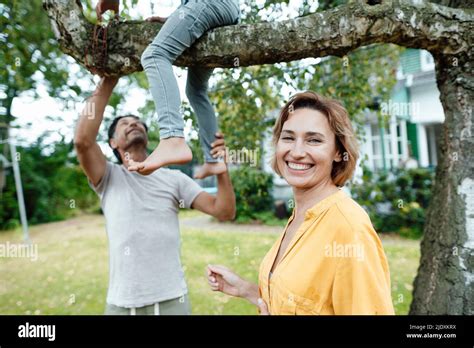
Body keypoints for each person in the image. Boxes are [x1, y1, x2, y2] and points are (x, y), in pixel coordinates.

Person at [206, 91, 395, 315]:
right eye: (288, 138)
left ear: (338, 151)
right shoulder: (301, 215)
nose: (296, 152)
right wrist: (247, 290)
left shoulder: (349, 228)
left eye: (313, 140)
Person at [74, 75, 236, 315]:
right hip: (121, 302)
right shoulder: (108, 176)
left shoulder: (174, 179)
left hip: (172, 299)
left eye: (138, 122)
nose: (134, 124)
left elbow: (224, 211)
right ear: (112, 142)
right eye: (125, 124)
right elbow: (82, 141)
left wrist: (221, 170)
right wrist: (108, 80)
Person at [95, 0, 240, 178]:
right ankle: (213, 160)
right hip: (222, 10)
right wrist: (176, 17)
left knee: (154, 55)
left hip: (208, 4)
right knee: (196, 91)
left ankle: (173, 138)